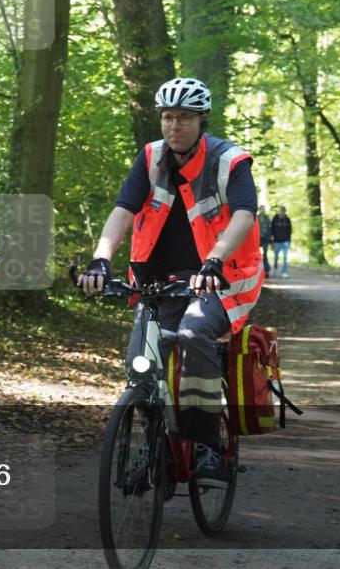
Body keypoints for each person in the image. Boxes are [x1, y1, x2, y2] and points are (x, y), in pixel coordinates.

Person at [78, 77, 264, 486]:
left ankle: (206, 444)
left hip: (223, 277)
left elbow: (244, 216)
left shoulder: (230, 160)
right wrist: (100, 259)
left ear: (202, 120)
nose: (173, 126)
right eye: (167, 117)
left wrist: (214, 260)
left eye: (183, 117)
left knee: (194, 333)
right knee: (140, 363)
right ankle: (157, 444)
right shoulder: (150, 157)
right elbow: (123, 210)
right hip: (160, 279)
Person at [271, 206, 292, 278]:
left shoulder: (287, 219)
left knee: (285, 257)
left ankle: (284, 272)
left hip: (285, 241)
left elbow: (290, 231)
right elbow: (271, 229)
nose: (282, 212)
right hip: (277, 241)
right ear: (279, 211)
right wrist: (272, 241)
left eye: (283, 211)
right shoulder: (275, 219)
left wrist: (289, 241)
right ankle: (275, 269)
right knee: (276, 257)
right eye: (281, 210)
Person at [258, 205, 272, 278]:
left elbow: (270, 228)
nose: (263, 210)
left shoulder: (267, 218)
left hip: (265, 239)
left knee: (265, 255)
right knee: (257, 254)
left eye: (264, 209)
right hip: (258, 239)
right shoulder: (257, 217)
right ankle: (259, 271)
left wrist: (270, 238)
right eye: (262, 209)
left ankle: (266, 270)